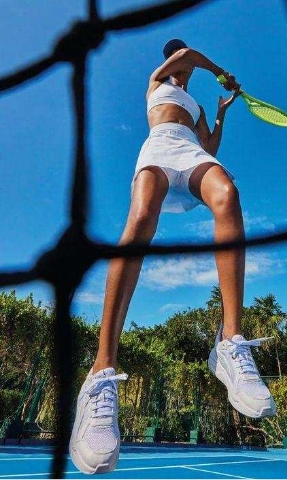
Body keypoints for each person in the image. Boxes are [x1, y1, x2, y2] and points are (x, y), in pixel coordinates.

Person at [69, 39, 276, 474]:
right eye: (176, 54)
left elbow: (210, 148)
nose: (178, 59)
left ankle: (229, 343)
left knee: (227, 194)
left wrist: (219, 112)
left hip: (191, 151)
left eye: (179, 54)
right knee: (141, 219)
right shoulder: (158, 80)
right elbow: (190, 56)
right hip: (159, 148)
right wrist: (222, 70)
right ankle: (101, 371)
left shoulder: (197, 106)